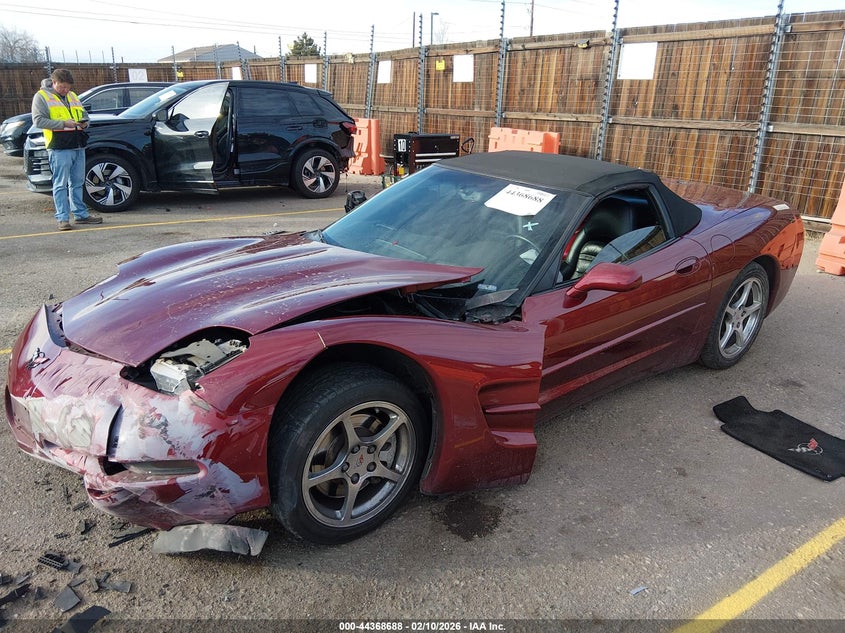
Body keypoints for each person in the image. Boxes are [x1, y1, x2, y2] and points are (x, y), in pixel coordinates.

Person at [31, 69, 102, 231]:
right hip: (59, 146)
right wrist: (64, 124)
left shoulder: (72, 95)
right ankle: (62, 218)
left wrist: (85, 123)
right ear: (54, 82)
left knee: (77, 182)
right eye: (62, 87)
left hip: (77, 144)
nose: (66, 90)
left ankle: (80, 214)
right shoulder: (41, 97)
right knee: (60, 184)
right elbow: (38, 121)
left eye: (68, 87)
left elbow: (84, 114)